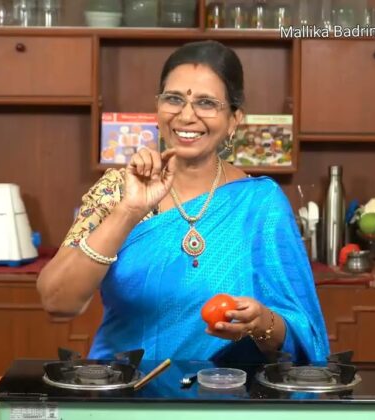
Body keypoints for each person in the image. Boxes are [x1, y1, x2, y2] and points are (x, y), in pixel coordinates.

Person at [37, 40, 330, 364]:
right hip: (123, 387)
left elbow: (302, 333)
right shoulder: (117, 191)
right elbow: (57, 301)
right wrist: (128, 211)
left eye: (206, 103)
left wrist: (261, 322)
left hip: (225, 389)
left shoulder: (260, 204)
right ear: (158, 108)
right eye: (174, 99)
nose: (187, 115)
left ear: (234, 119)